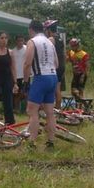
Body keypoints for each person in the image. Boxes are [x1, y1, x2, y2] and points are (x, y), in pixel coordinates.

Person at [24, 20, 58, 149]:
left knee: (32, 111)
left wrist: (26, 82)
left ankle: (32, 142)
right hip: (52, 76)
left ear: (31, 29)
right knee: (50, 112)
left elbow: (27, 63)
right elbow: (57, 64)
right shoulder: (50, 42)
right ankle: (50, 141)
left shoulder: (32, 42)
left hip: (40, 77)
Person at [43, 20, 65, 109]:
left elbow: (47, 53)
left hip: (55, 66)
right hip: (61, 65)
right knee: (57, 87)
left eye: (45, 30)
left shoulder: (51, 39)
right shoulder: (60, 38)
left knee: (53, 88)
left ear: (48, 30)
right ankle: (57, 107)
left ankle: (55, 108)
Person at [11, 35, 27, 112]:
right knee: (15, 93)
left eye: (21, 40)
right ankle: (16, 108)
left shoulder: (27, 49)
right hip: (16, 75)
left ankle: (23, 107)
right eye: (18, 40)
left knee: (24, 92)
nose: (20, 42)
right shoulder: (13, 51)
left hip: (24, 74)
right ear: (16, 41)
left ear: (24, 41)